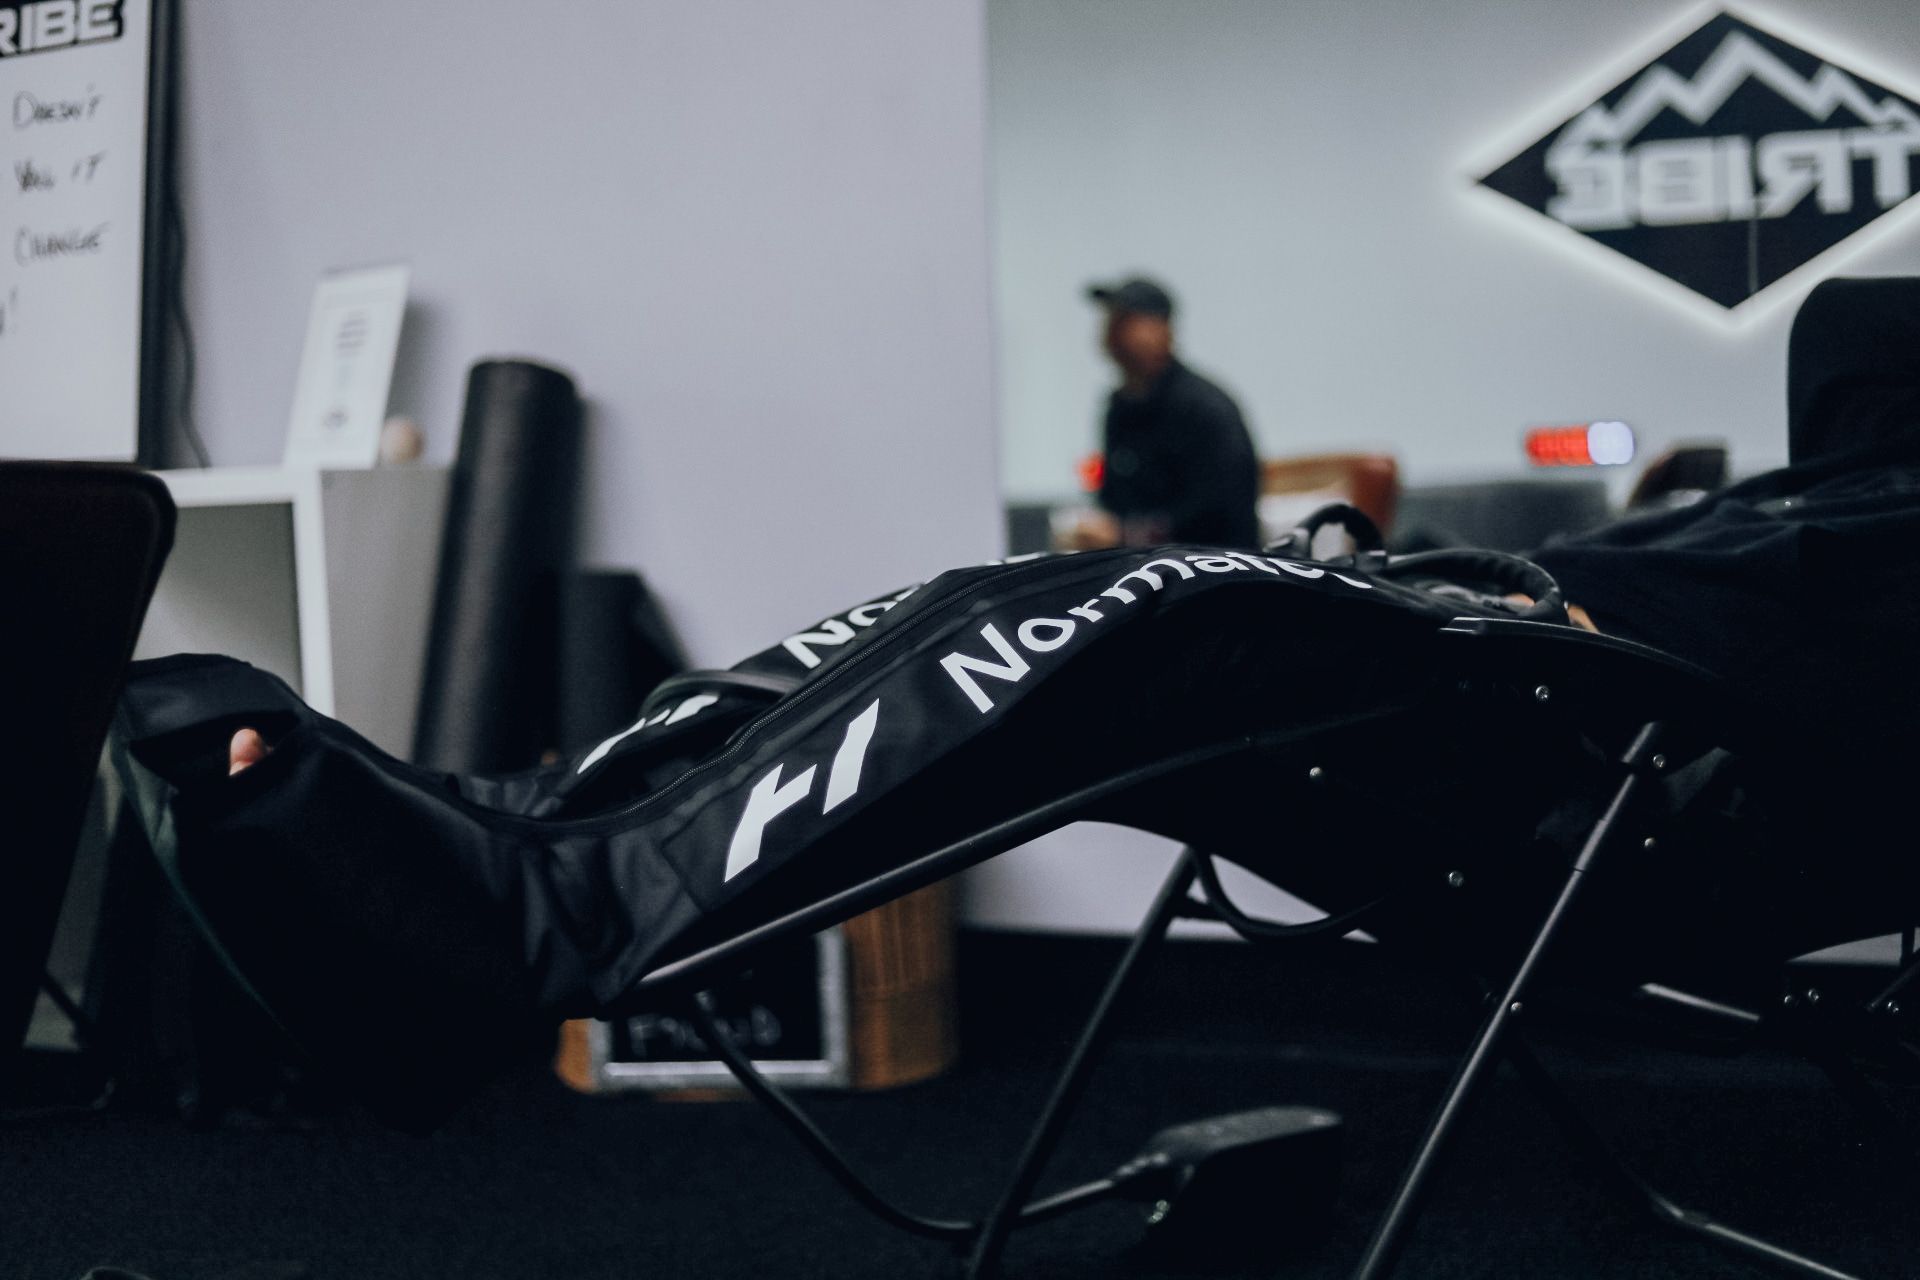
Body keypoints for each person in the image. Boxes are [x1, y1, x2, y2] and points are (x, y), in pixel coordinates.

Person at [1075, 276, 1261, 550]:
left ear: (1163, 330)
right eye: (1111, 321)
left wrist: (1129, 535)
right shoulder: (1120, 408)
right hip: (1141, 570)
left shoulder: (1204, 409)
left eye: (1126, 321)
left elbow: (1220, 511)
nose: (1113, 332)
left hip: (1208, 572)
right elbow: (1114, 499)